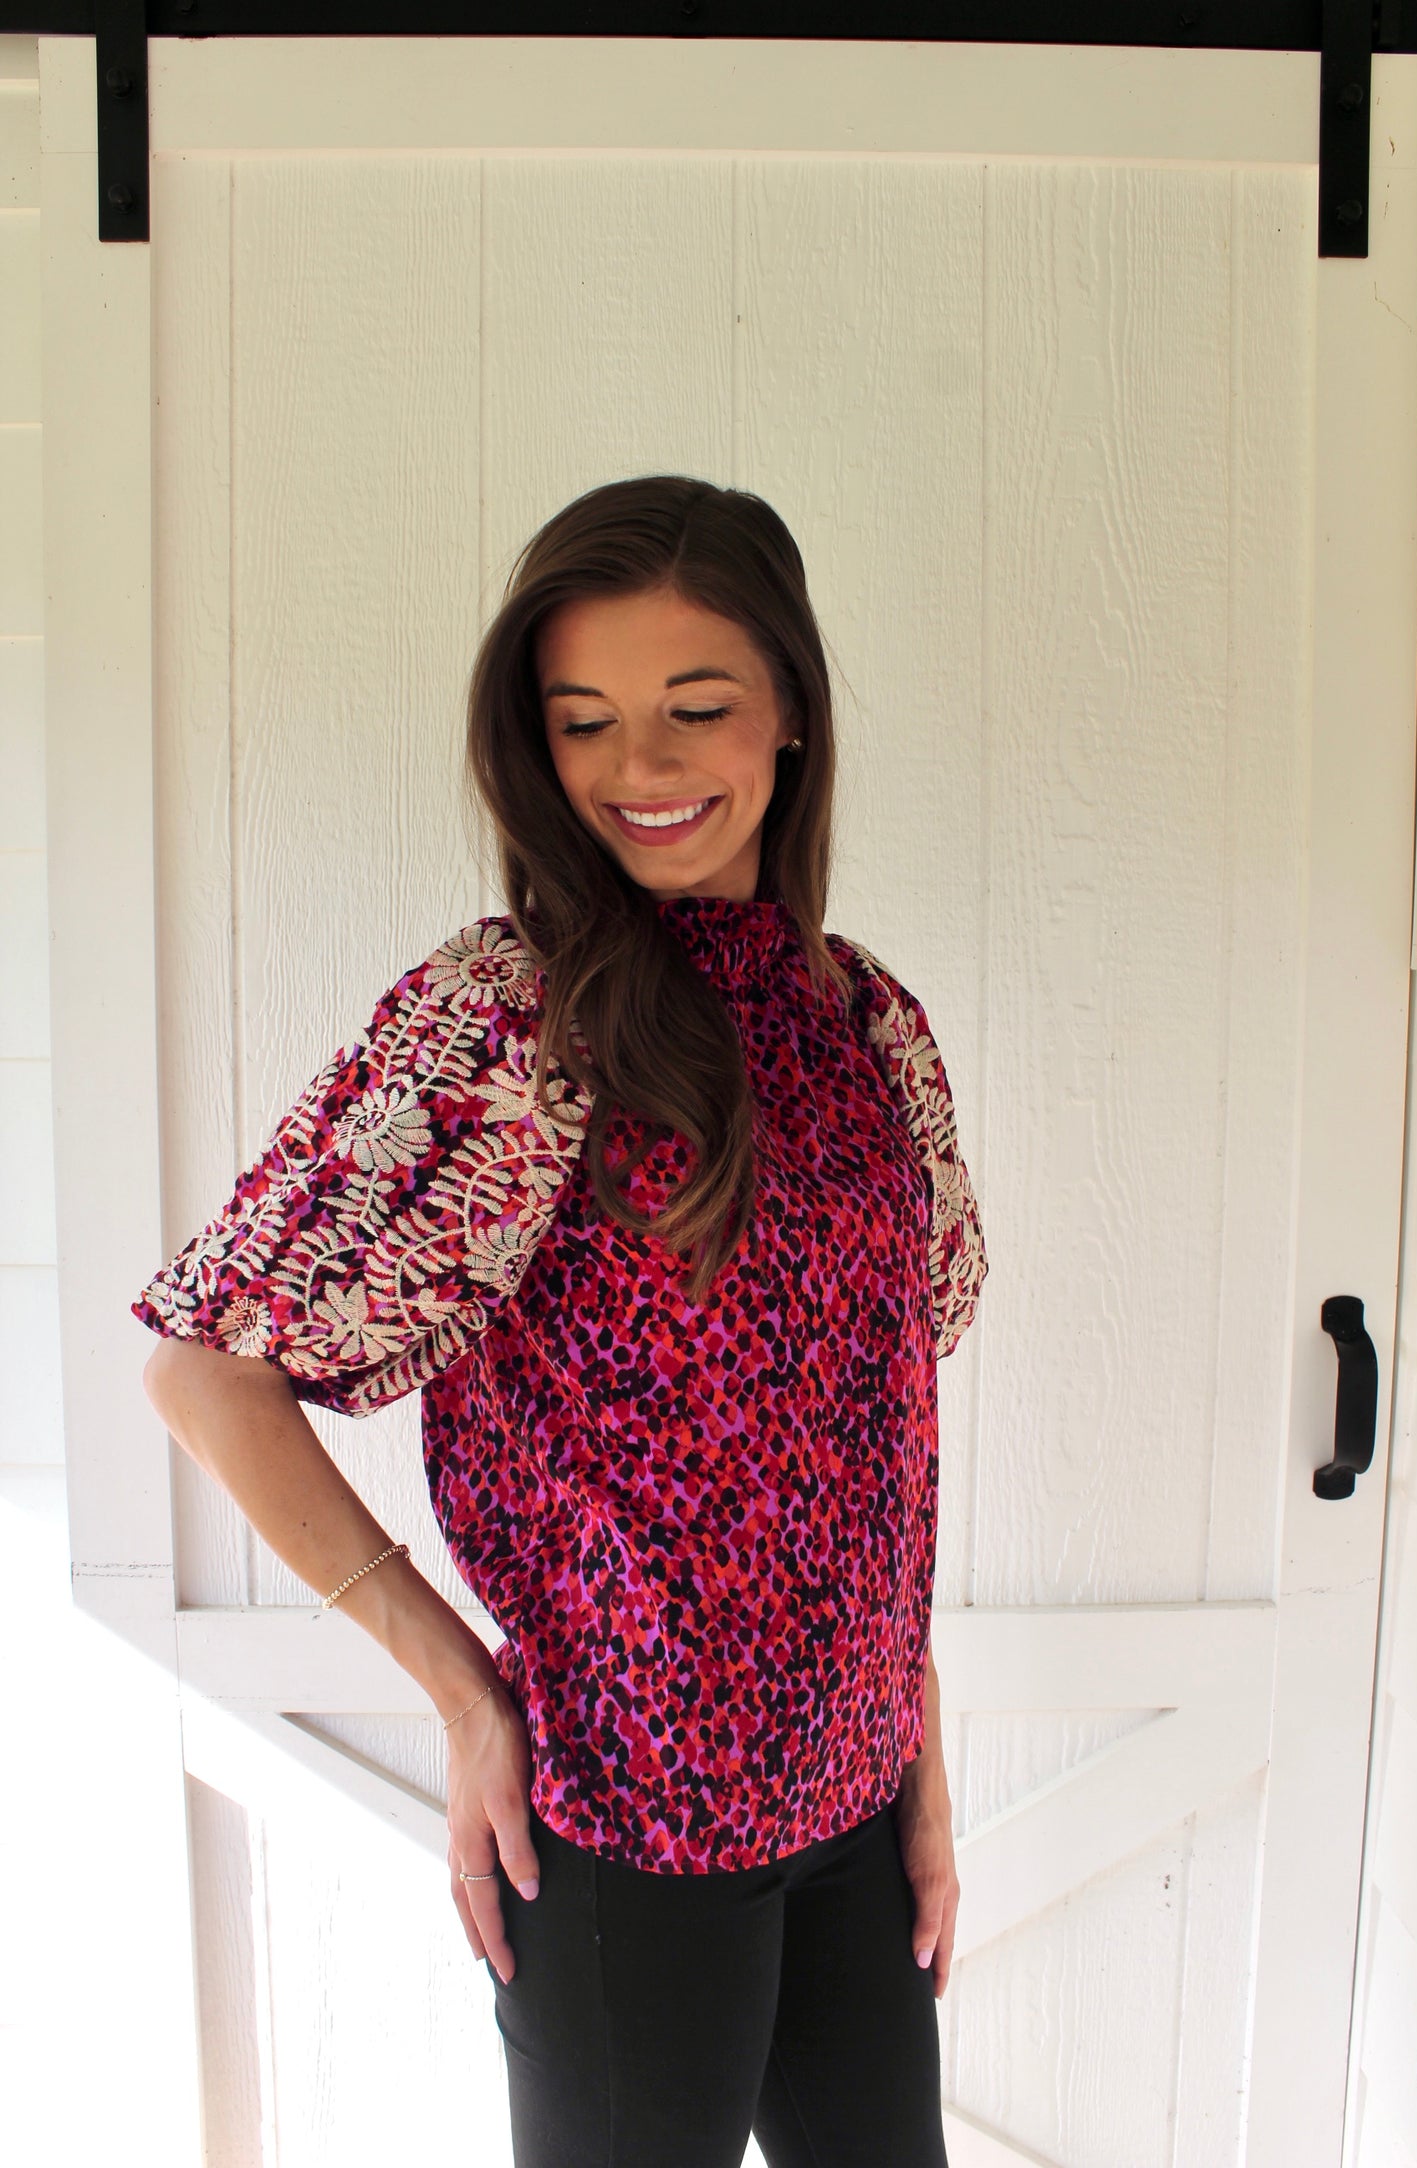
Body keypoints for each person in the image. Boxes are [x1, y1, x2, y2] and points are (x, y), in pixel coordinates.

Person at [133, 474, 988, 2168]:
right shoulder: (510, 1018)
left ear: (792, 714)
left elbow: (874, 1445)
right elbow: (204, 1369)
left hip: (852, 1815)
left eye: (696, 708)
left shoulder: (864, 1019)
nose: (640, 769)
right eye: (582, 720)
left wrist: (921, 1769)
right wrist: (465, 1699)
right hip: (621, 1839)